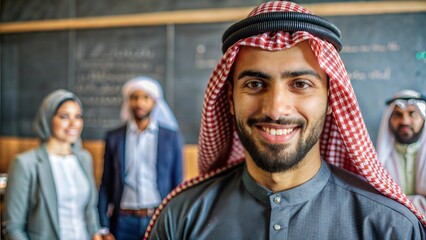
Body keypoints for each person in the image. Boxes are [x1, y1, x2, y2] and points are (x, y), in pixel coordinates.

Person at [145, 1, 426, 239]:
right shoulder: (180, 217)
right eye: (255, 84)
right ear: (229, 99)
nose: (276, 109)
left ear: (331, 100)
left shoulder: (391, 227)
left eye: (301, 84)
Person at [3, 89, 102, 240]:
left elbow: (90, 210)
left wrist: (96, 234)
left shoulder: (84, 158)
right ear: (48, 119)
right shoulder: (25, 164)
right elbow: (13, 227)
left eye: (78, 116)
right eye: (64, 117)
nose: (73, 123)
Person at [98, 76, 183, 240]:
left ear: (154, 102)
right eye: (134, 97)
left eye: (145, 98)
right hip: (123, 221)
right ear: (128, 101)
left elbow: (177, 184)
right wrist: (103, 226)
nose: (139, 103)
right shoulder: (114, 137)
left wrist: (176, 221)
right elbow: (106, 184)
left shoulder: (170, 137)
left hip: (158, 219)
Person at [377, 89, 426, 216]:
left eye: (412, 114)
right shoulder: (378, 160)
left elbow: (387, 204)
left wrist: (397, 203)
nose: (405, 121)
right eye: (398, 115)